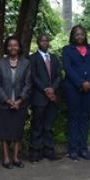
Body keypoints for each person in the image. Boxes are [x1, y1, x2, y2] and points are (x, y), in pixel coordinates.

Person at [61, 25, 90, 160]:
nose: (79, 36)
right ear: (73, 36)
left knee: (85, 118)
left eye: (82, 34)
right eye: (77, 34)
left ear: (85, 35)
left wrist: (89, 82)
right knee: (74, 118)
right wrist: (80, 83)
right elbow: (68, 68)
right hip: (73, 88)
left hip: (89, 89)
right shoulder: (67, 50)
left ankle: (83, 149)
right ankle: (73, 149)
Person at [0, 36, 32, 169]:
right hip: (4, 103)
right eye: (10, 45)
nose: (13, 47)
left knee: (17, 131)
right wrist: (8, 100)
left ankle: (16, 158)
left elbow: (28, 84)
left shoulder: (26, 63)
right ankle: (6, 158)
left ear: (19, 47)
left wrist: (20, 100)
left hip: (20, 103)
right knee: (4, 132)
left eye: (15, 45)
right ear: (6, 47)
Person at [28, 33, 62, 162]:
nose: (44, 43)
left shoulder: (54, 58)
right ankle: (35, 153)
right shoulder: (32, 58)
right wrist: (46, 89)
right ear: (38, 42)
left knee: (48, 126)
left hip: (53, 97)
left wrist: (52, 88)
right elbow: (33, 76)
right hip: (39, 97)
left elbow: (59, 75)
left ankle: (49, 151)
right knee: (37, 125)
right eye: (42, 41)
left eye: (47, 41)